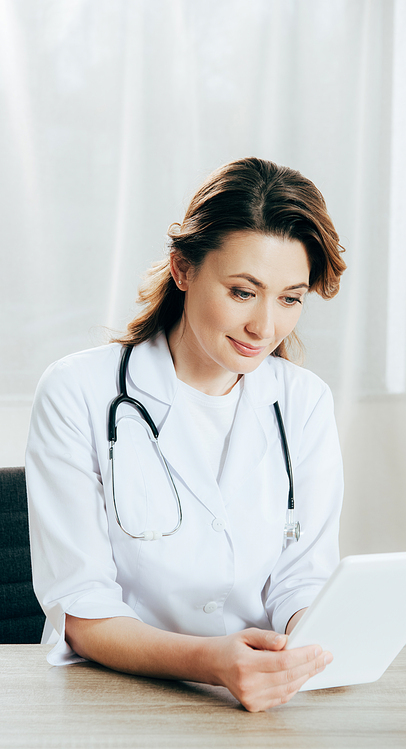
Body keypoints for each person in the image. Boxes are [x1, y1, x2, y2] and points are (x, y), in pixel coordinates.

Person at [26, 157, 346, 712]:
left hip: (258, 701)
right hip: (112, 699)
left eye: (290, 298)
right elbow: (82, 609)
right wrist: (211, 662)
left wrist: (302, 641)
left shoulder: (305, 402)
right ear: (182, 270)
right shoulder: (78, 391)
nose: (264, 327)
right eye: (243, 291)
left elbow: (303, 580)